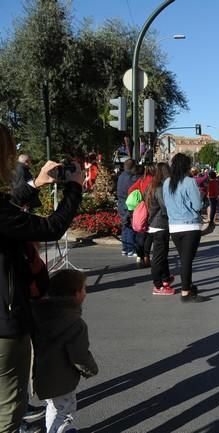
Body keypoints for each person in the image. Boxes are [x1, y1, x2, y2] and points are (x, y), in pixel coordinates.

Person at [0, 123, 83, 432]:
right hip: (5, 322)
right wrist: (74, 188)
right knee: (9, 414)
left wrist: (34, 183)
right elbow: (50, 228)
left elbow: (6, 211)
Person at [31, 270, 98, 433]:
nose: (85, 292)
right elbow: (79, 355)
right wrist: (91, 369)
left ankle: (51, 430)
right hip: (62, 378)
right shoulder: (75, 323)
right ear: (76, 294)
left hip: (41, 374)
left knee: (53, 407)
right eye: (84, 288)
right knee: (65, 413)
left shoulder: (38, 312)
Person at [163, 153, 207, 303]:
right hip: (190, 225)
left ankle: (188, 285)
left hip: (174, 226)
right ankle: (185, 292)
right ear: (187, 166)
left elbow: (166, 204)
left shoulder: (166, 182)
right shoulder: (190, 182)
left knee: (184, 259)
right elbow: (197, 205)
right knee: (187, 261)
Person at [147, 162, 175, 296]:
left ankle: (165, 278)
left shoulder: (152, 185)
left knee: (162, 254)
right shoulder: (159, 188)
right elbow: (164, 206)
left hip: (155, 223)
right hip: (160, 224)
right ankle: (157, 285)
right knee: (158, 257)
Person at [128, 165, 155, 268]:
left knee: (140, 234)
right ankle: (146, 256)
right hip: (151, 210)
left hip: (142, 209)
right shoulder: (155, 181)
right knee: (148, 235)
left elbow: (130, 190)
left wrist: (139, 199)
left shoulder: (142, 180)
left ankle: (140, 257)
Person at [117, 159, 139, 257]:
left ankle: (125, 248)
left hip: (121, 204)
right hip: (128, 204)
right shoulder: (131, 178)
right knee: (130, 227)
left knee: (125, 226)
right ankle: (130, 249)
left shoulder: (121, 176)